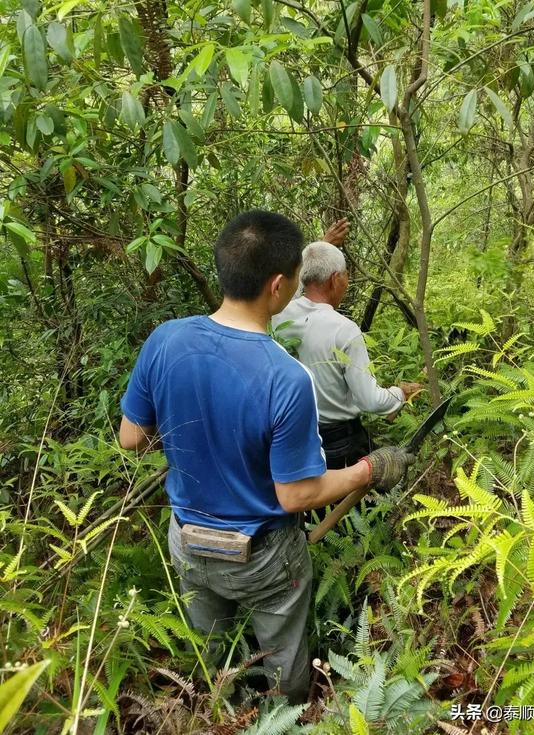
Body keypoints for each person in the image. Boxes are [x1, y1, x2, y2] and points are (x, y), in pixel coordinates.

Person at [118, 210, 415, 703]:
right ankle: (286, 716)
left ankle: (219, 712)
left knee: (214, 654)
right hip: (263, 556)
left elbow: (132, 439)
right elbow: (297, 493)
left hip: (187, 541)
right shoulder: (285, 377)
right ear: (278, 286)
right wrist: (369, 468)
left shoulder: (165, 340)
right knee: (284, 665)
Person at [272, 238, 421, 469]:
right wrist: (400, 393)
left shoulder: (279, 315)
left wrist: (319, 248)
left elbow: (291, 292)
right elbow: (370, 401)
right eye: (345, 276)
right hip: (339, 442)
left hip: (296, 438)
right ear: (335, 279)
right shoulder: (344, 329)